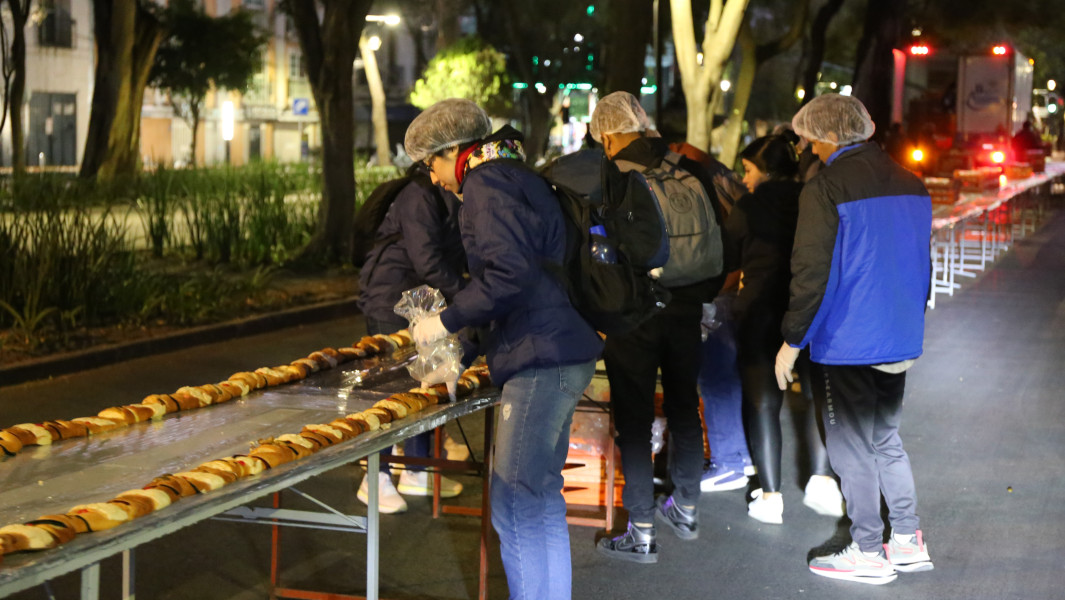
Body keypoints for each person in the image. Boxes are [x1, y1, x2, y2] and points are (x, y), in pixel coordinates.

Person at [404, 98, 602, 600]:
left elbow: (509, 277)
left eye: (431, 164)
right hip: (558, 347)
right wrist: (462, 353)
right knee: (538, 499)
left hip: (541, 357)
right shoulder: (516, 176)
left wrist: (442, 322)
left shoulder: (486, 186)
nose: (432, 178)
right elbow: (513, 278)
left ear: (454, 151)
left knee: (516, 502)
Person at [777, 94, 934, 584]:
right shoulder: (911, 182)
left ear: (827, 137)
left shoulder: (825, 188)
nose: (807, 148)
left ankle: (868, 548)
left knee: (849, 445)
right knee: (886, 438)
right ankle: (906, 540)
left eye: (809, 139)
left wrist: (791, 340)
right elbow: (921, 262)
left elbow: (811, 273)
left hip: (847, 338)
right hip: (898, 333)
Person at [591, 92, 725, 563]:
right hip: (687, 307)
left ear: (607, 136)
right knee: (685, 406)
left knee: (634, 418)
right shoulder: (683, 166)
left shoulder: (613, 175)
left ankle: (641, 531)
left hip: (636, 313)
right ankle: (685, 507)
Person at [725, 133, 842, 525]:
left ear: (767, 170)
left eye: (749, 170)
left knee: (762, 401)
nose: (745, 179)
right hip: (809, 311)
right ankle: (821, 477)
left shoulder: (750, 206)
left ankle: (770, 496)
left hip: (760, 311)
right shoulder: (814, 197)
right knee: (814, 395)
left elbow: (726, 257)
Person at [355, 164, 468, 513]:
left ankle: (418, 471)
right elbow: (428, 259)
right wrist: (471, 294)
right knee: (389, 390)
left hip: (423, 299)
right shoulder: (419, 194)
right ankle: (375, 478)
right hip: (391, 297)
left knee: (426, 380)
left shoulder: (451, 192)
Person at [667, 141, 754, 493]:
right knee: (727, 378)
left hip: (720, 295)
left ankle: (729, 462)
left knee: (717, 379)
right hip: (730, 293)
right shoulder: (725, 182)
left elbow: (725, 252)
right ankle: (740, 456)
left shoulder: (704, 188)